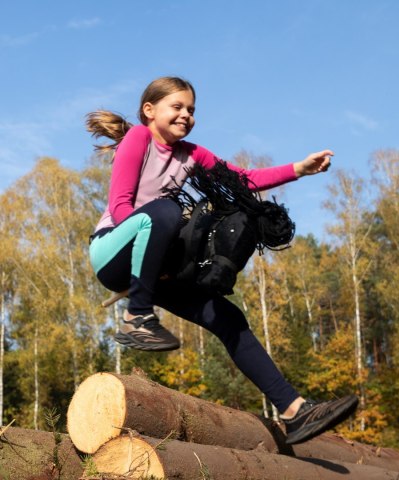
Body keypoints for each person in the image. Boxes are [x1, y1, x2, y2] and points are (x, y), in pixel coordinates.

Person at [87, 76, 358, 445]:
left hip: (156, 264)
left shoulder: (192, 154)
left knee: (227, 317)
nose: (186, 115)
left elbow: (242, 180)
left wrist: (299, 169)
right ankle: (137, 316)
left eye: (192, 110)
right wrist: (148, 261)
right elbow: (121, 207)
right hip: (113, 251)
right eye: (177, 107)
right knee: (167, 211)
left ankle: (295, 411)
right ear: (149, 111)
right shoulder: (138, 139)